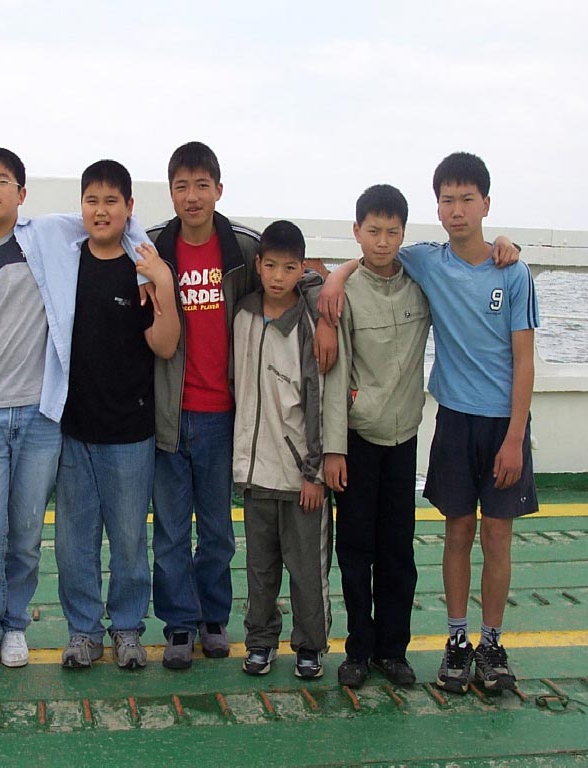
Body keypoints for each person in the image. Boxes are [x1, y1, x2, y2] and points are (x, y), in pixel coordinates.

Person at [321, 152, 538, 694]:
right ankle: (413, 646)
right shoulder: (403, 271)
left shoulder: (489, 273)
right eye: (448, 200)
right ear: (437, 208)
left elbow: (525, 358)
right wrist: (334, 279)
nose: (457, 210)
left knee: (467, 540)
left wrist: (516, 436)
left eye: (467, 199)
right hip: (416, 427)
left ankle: (462, 645)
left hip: (461, 430)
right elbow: (363, 260)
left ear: (485, 203)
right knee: (421, 537)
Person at [0, 148, 154, 675]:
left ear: (22, 192)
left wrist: (151, 273)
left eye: (4, 180)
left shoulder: (46, 235)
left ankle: (15, 625)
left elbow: (118, 223)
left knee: (27, 532)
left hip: (42, 416)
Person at [147, 142, 333, 670]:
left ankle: (213, 620)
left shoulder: (242, 248)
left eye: (202, 185)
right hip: (168, 413)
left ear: (219, 190)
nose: (192, 196)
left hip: (222, 416)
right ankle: (178, 624)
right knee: (170, 531)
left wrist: (327, 309)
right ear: (171, 192)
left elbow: (300, 280)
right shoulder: (156, 247)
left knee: (217, 532)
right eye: (182, 186)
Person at [55, 160, 180, 670]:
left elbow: (165, 345)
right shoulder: (65, 264)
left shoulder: (142, 266)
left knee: (129, 541)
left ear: (129, 207)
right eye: (92, 200)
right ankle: (83, 632)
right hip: (73, 431)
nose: (101, 210)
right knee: (73, 544)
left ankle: (127, 628)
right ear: (81, 206)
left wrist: (163, 283)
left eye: (112, 201)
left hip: (131, 433)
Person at [322, 185, 429, 688]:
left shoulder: (421, 286)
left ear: (404, 234)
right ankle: (358, 651)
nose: (382, 241)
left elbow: (464, 262)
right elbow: (336, 374)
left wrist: (504, 245)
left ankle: (393, 650)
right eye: (373, 231)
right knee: (354, 550)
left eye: (392, 232)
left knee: (398, 551)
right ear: (357, 232)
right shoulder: (345, 293)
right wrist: (334, 448)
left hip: (404, 438)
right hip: (359, 439)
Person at [232, 220, 332, 680]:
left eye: (289, 268)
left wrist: (315, 473)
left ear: (301, 269)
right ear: (258, 265)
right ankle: (260, 641)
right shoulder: (243, 314)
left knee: (307, 570)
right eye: (270, 266)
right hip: (255, 473)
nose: (277, 276)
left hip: (299, 478)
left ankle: (310, 645)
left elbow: (318, 400)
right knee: (260, 569)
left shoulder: (308, 324)